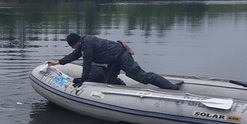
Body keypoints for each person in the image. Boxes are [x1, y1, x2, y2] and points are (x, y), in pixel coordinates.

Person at [47, 33, 181, 90]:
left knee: (140, 76)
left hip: (121, 57)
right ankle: (124, 91)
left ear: (76, 42)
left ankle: (172, 87)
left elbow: (87, 62)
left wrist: (84, 79)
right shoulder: (82, 44)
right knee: (108, 78)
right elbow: (73, 56)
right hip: (113, 61)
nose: (73, 48)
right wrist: (58, 62)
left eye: (73, 46)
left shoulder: (87, 43)